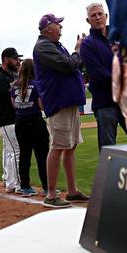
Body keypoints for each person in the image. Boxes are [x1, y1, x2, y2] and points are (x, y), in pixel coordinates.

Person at [33, 13, 89, 208]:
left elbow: (73, 66)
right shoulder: (43, 46)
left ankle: (72, 191)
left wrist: (76, 55)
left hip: (68, 101)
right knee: (58, 146)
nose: (61, 27)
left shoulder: (54, 45)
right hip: (59, 102)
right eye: (58, 24)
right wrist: (77, 51)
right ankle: (50, 194)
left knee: (70, 146)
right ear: (48, 28)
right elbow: (67, 66)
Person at [80, 2, 127, 151]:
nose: (98, 17)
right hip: (105, 102)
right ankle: (108, 175)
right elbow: (98, 74)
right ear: (88, 20)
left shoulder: (119, 36)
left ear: (106, 16)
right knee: (108, 149)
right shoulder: (87, 44)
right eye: (93, 15)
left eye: (100, 14)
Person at [12, 59, 49, 197]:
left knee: (24, 155)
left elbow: (14, 105)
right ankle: (46, 187)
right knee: (42, 156)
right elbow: (41, 105)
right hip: (35, 121)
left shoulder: (14, 86)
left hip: (20, 122)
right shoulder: (36, 84)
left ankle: (25, 187)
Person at [0, 47, 21, 193]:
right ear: (6, 59)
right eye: (15, 58)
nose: (17, 61)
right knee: (16, 151)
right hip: (6, 119)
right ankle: (16, 184)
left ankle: (9, 181)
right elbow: (6, 96)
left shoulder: (9, 76)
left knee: (10, 151)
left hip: (10, 119)